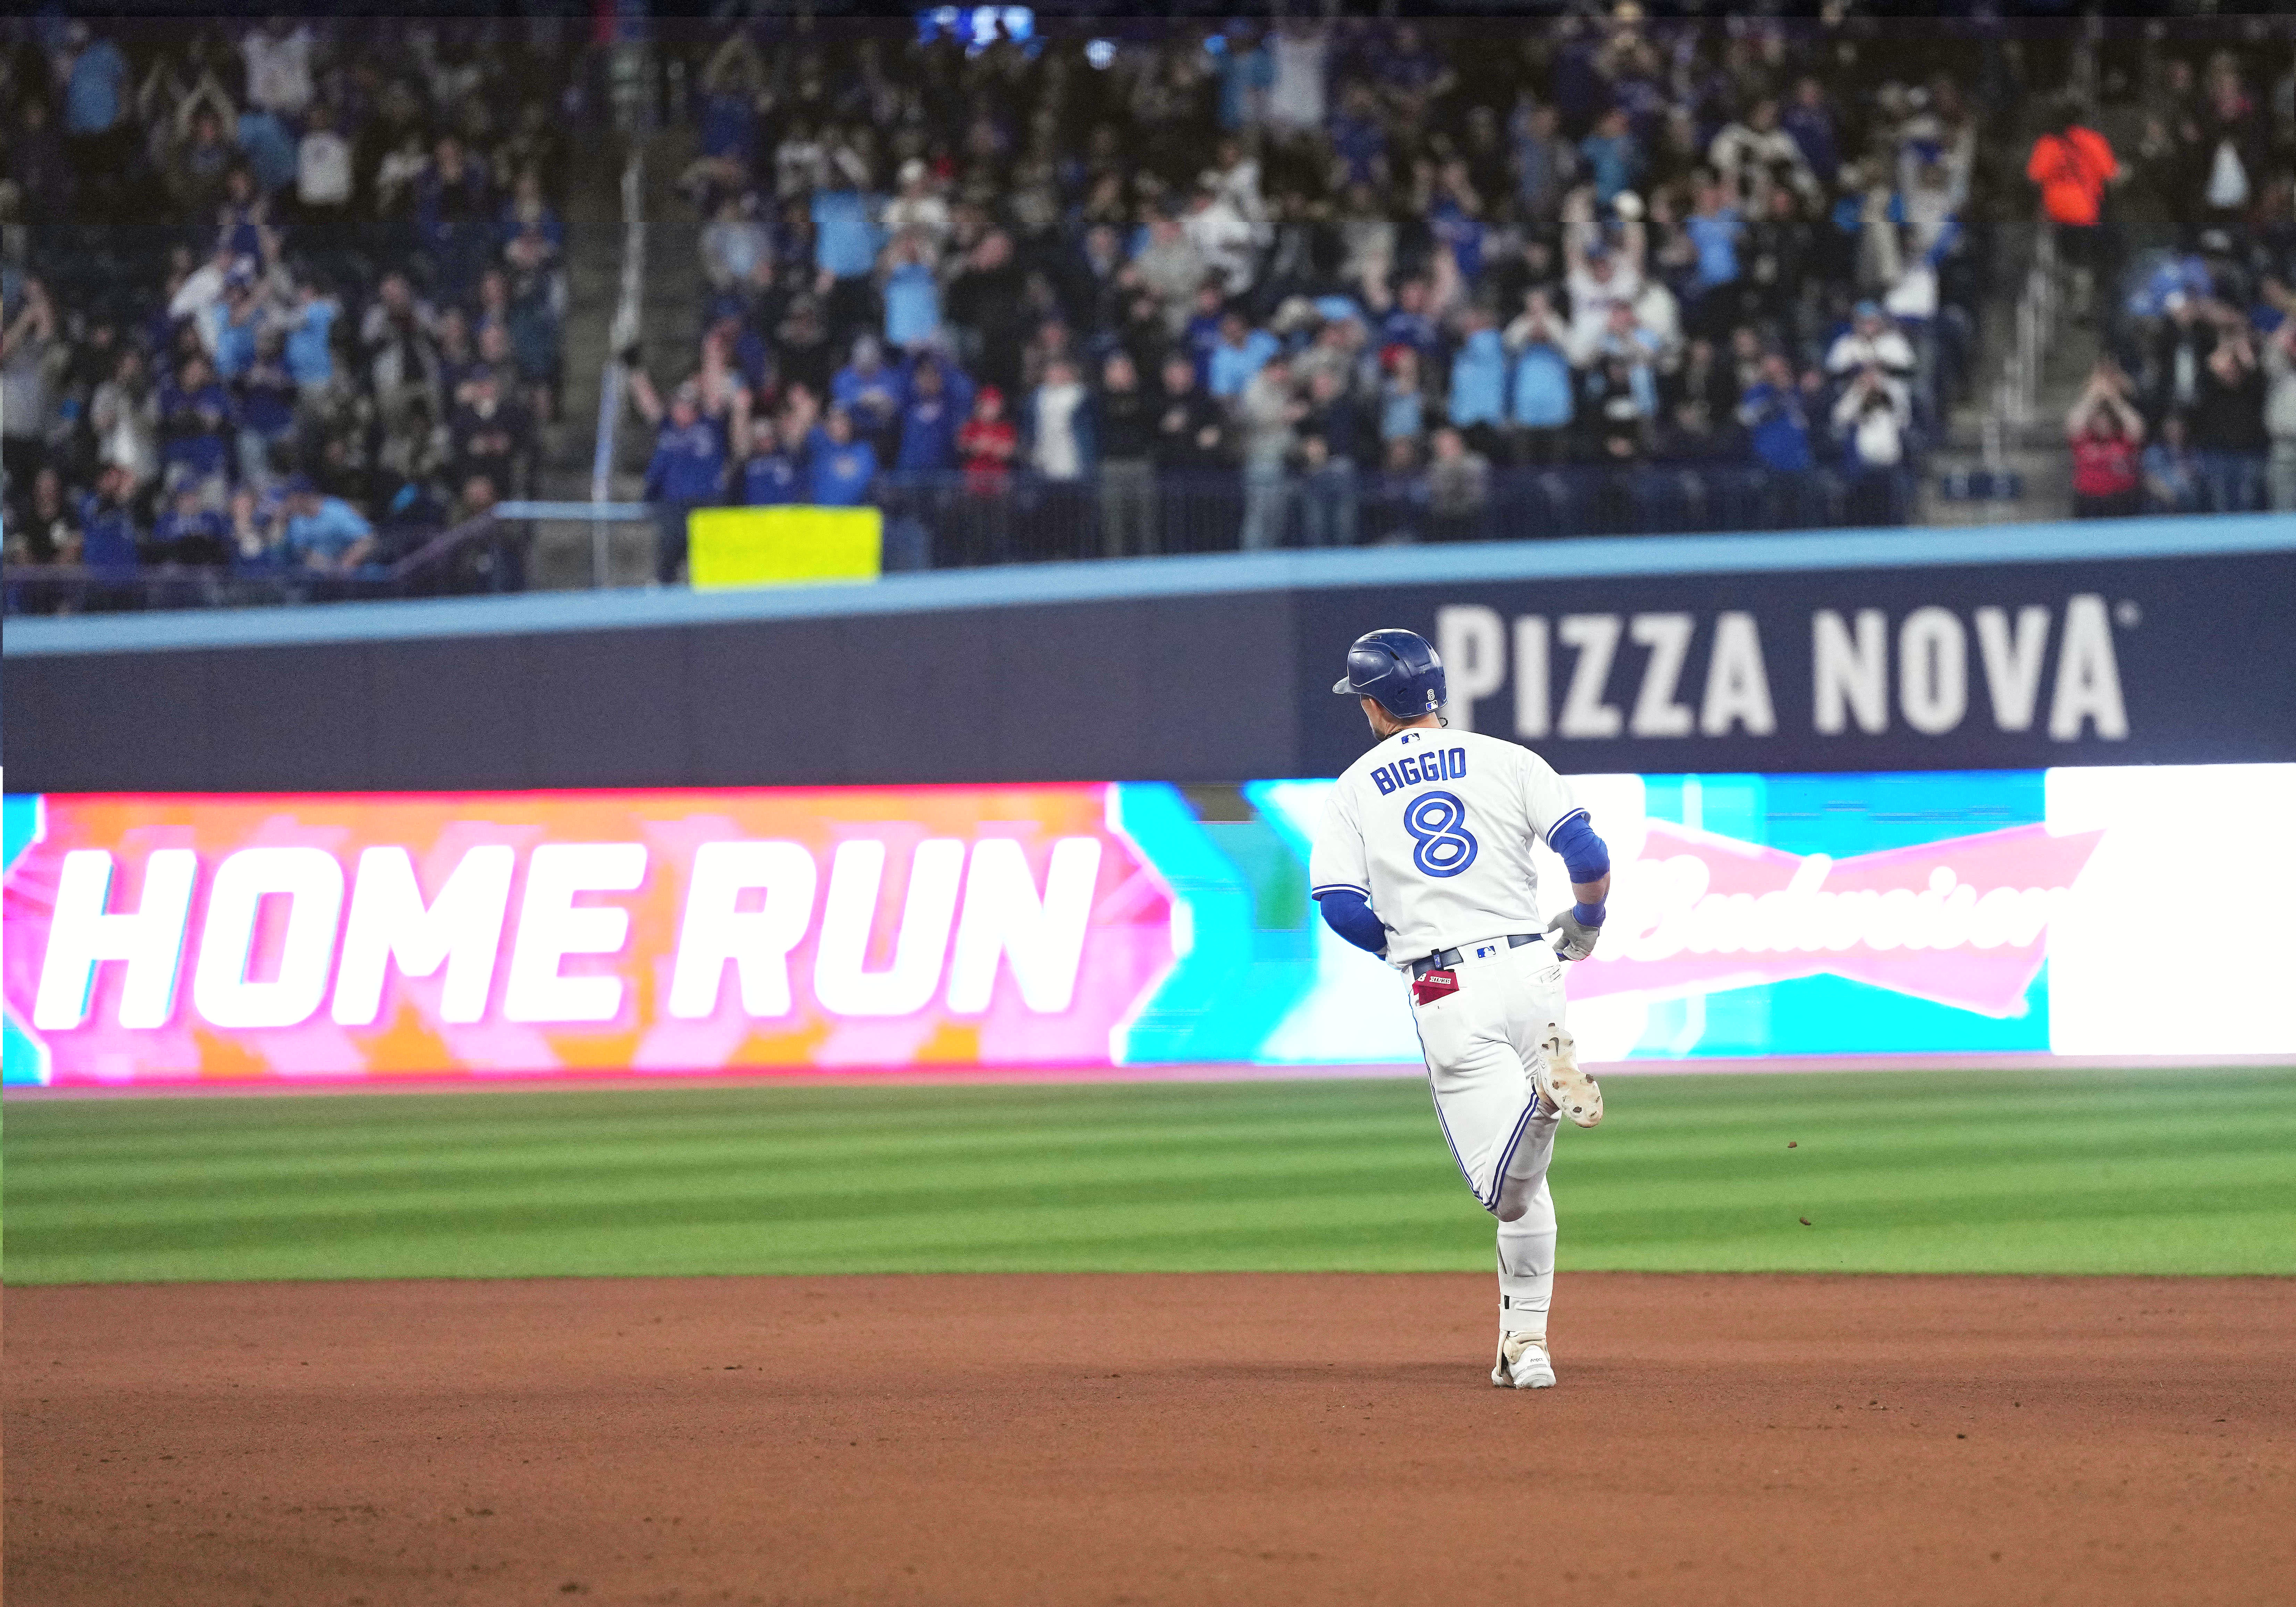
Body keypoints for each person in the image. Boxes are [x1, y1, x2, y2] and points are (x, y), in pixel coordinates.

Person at [1309, 628, 1611, 1392]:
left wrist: (1404, 946)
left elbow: (1341, 907)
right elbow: (1587, 854)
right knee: (1528, 1194)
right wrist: (1586, 922)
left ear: (1373, 704)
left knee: (1502, 1188)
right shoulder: (1508, 758)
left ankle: (1546, 1102)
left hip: (1449, 986)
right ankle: (1527, 1344)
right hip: (1535, 970)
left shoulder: (1354, 786)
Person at [2065, 363, 2145, 519]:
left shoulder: (2123, 440)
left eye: (2106, 420)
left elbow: (2137, 428)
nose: (2102, 424)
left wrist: (2115, 398)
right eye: (2098, 420)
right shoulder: (2084, 441)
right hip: (2088, 501)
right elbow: (2074, 423)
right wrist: (2092, 396)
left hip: (2122, 500)